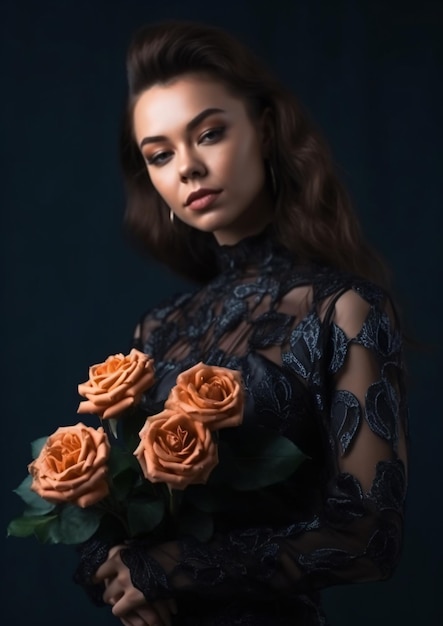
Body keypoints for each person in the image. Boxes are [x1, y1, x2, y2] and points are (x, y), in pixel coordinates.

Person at [74, 19, 409, 626]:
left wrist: (172, 568)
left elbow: (368, 536)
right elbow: (117, 512)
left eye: (208, 133)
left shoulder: (345, 310)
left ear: (265, 129)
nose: (188, 168)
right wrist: (114, 562)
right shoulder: (157, 329)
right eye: (160, 154)